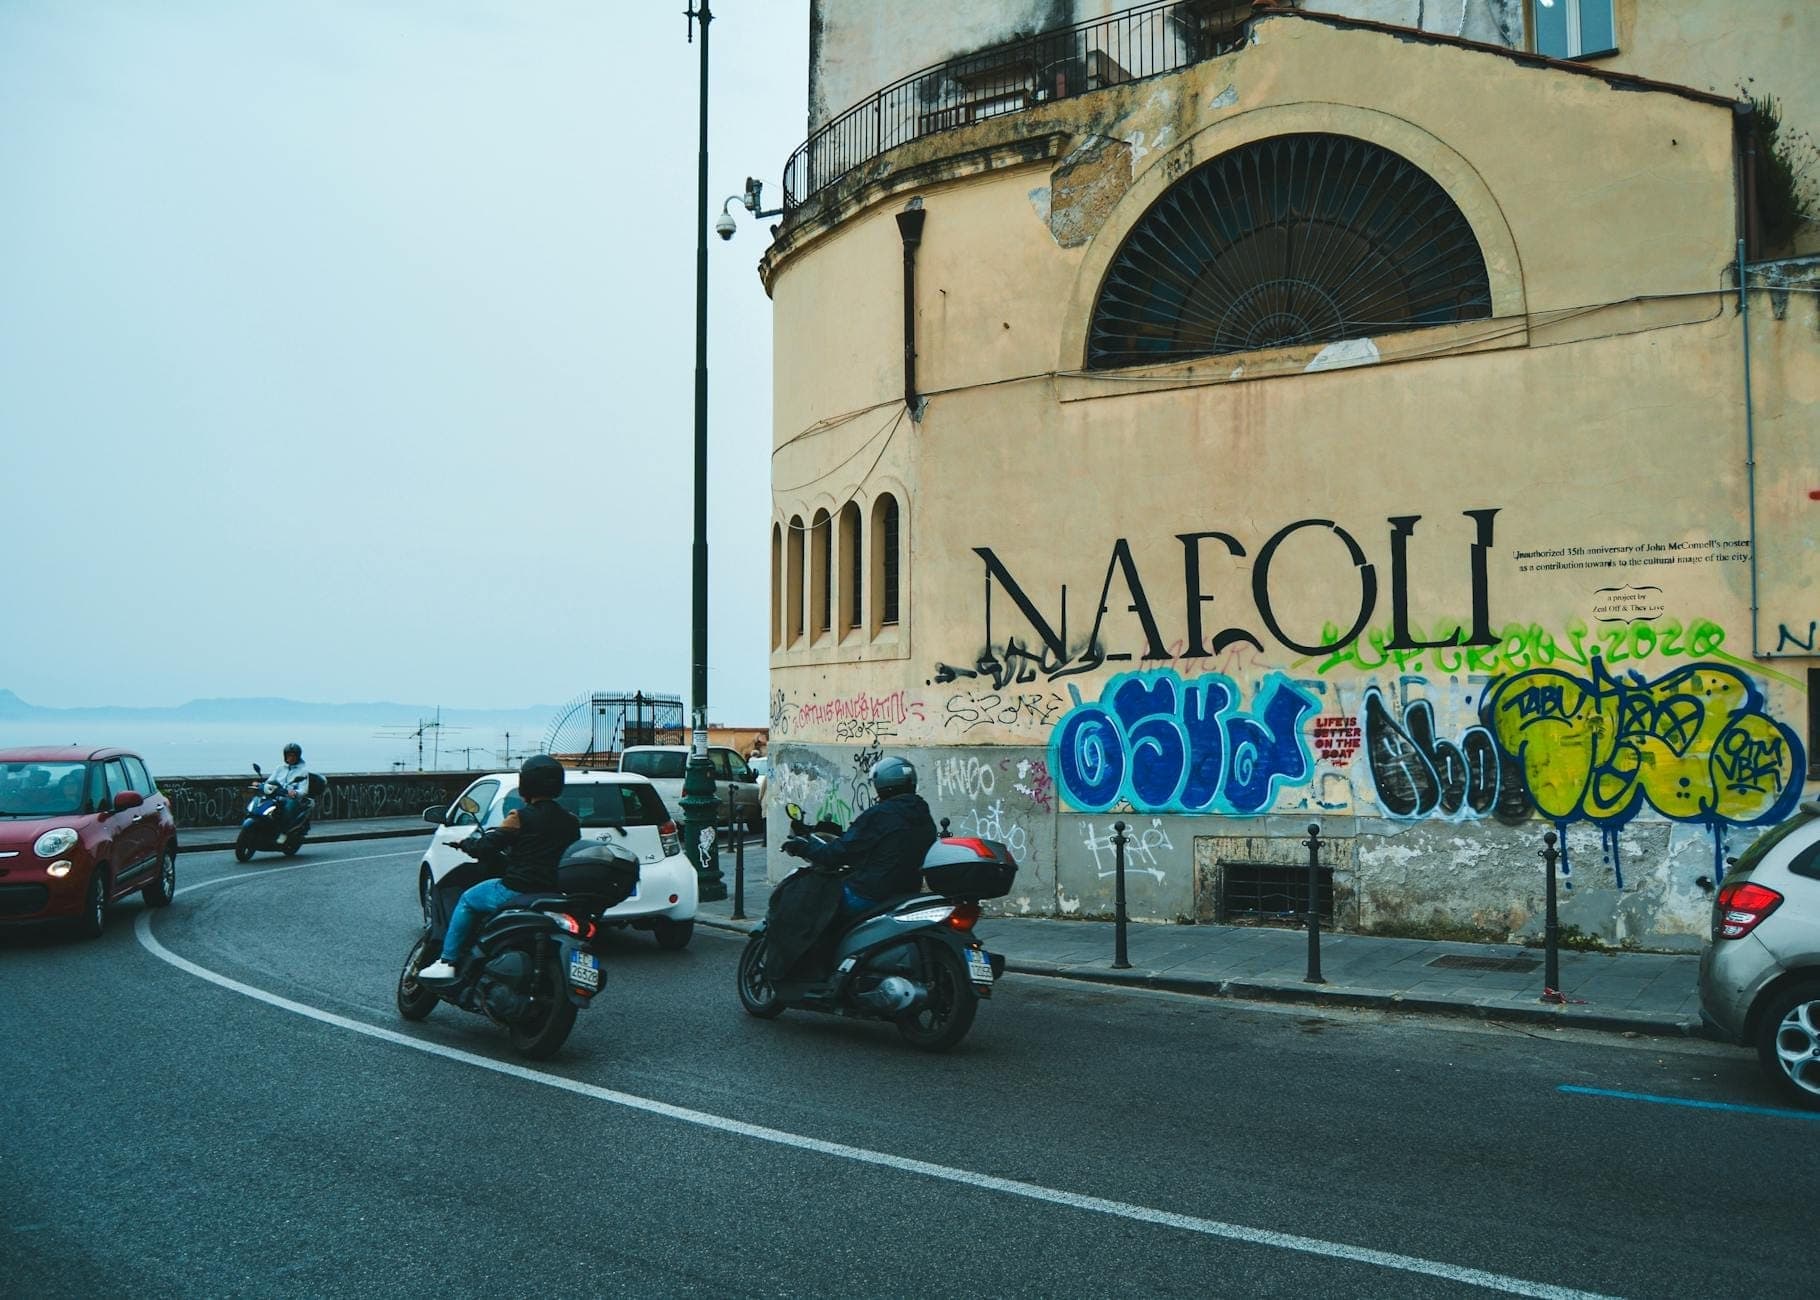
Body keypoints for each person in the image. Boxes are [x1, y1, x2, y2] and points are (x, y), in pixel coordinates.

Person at [418, 755, 580, 983]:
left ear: (527, 783)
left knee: (467, 899)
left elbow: (487, 846)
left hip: (516, 888)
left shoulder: (520, 817)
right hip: (550, 891)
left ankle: (447, 961)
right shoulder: (571, 821)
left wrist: (467, 844)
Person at [780, 756, 936, 924]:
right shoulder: (921, 812)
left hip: (871, 892)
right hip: (906, 890)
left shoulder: (880, 814)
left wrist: (802, 848)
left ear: (881, 784)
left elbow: (836, 855)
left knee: (807, 901)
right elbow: (886, 841)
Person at [268, 743, 312, 827]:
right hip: (276, 796)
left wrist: (295, 792)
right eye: (289, 755)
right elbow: (270, 781)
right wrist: (260, 784)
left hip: (290, 799)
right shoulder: (279, 768)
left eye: (293, 756)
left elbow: (304, 790)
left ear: (298, 756)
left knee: (287, 811)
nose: (291, 758)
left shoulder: (303, 772)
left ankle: (284, 832)